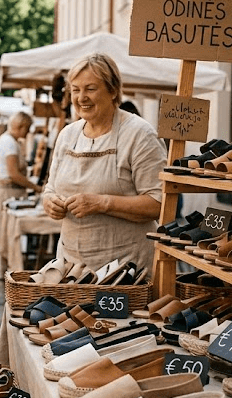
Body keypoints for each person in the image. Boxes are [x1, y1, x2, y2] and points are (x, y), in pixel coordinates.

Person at [41, 53, 165, 271]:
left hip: (125, 267)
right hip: (71, 265)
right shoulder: (67, 135)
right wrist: (49, 201)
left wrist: (102, 203)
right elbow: (50, 188)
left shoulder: (140, 134)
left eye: (90, 89)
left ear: (113, 90)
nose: (81, 98)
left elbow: (158, 203)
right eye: (75, 90)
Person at [0, 111, 41, 272]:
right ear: (21, 127)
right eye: (27, 128)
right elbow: (13, 174)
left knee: (6, 234)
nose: (28, 133)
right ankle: (9, 271)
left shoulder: (10, 141)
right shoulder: (9, 143)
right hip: (9, 191)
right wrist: (36, 187)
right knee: (8, 235)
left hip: (9, 191)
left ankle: (5, 270)